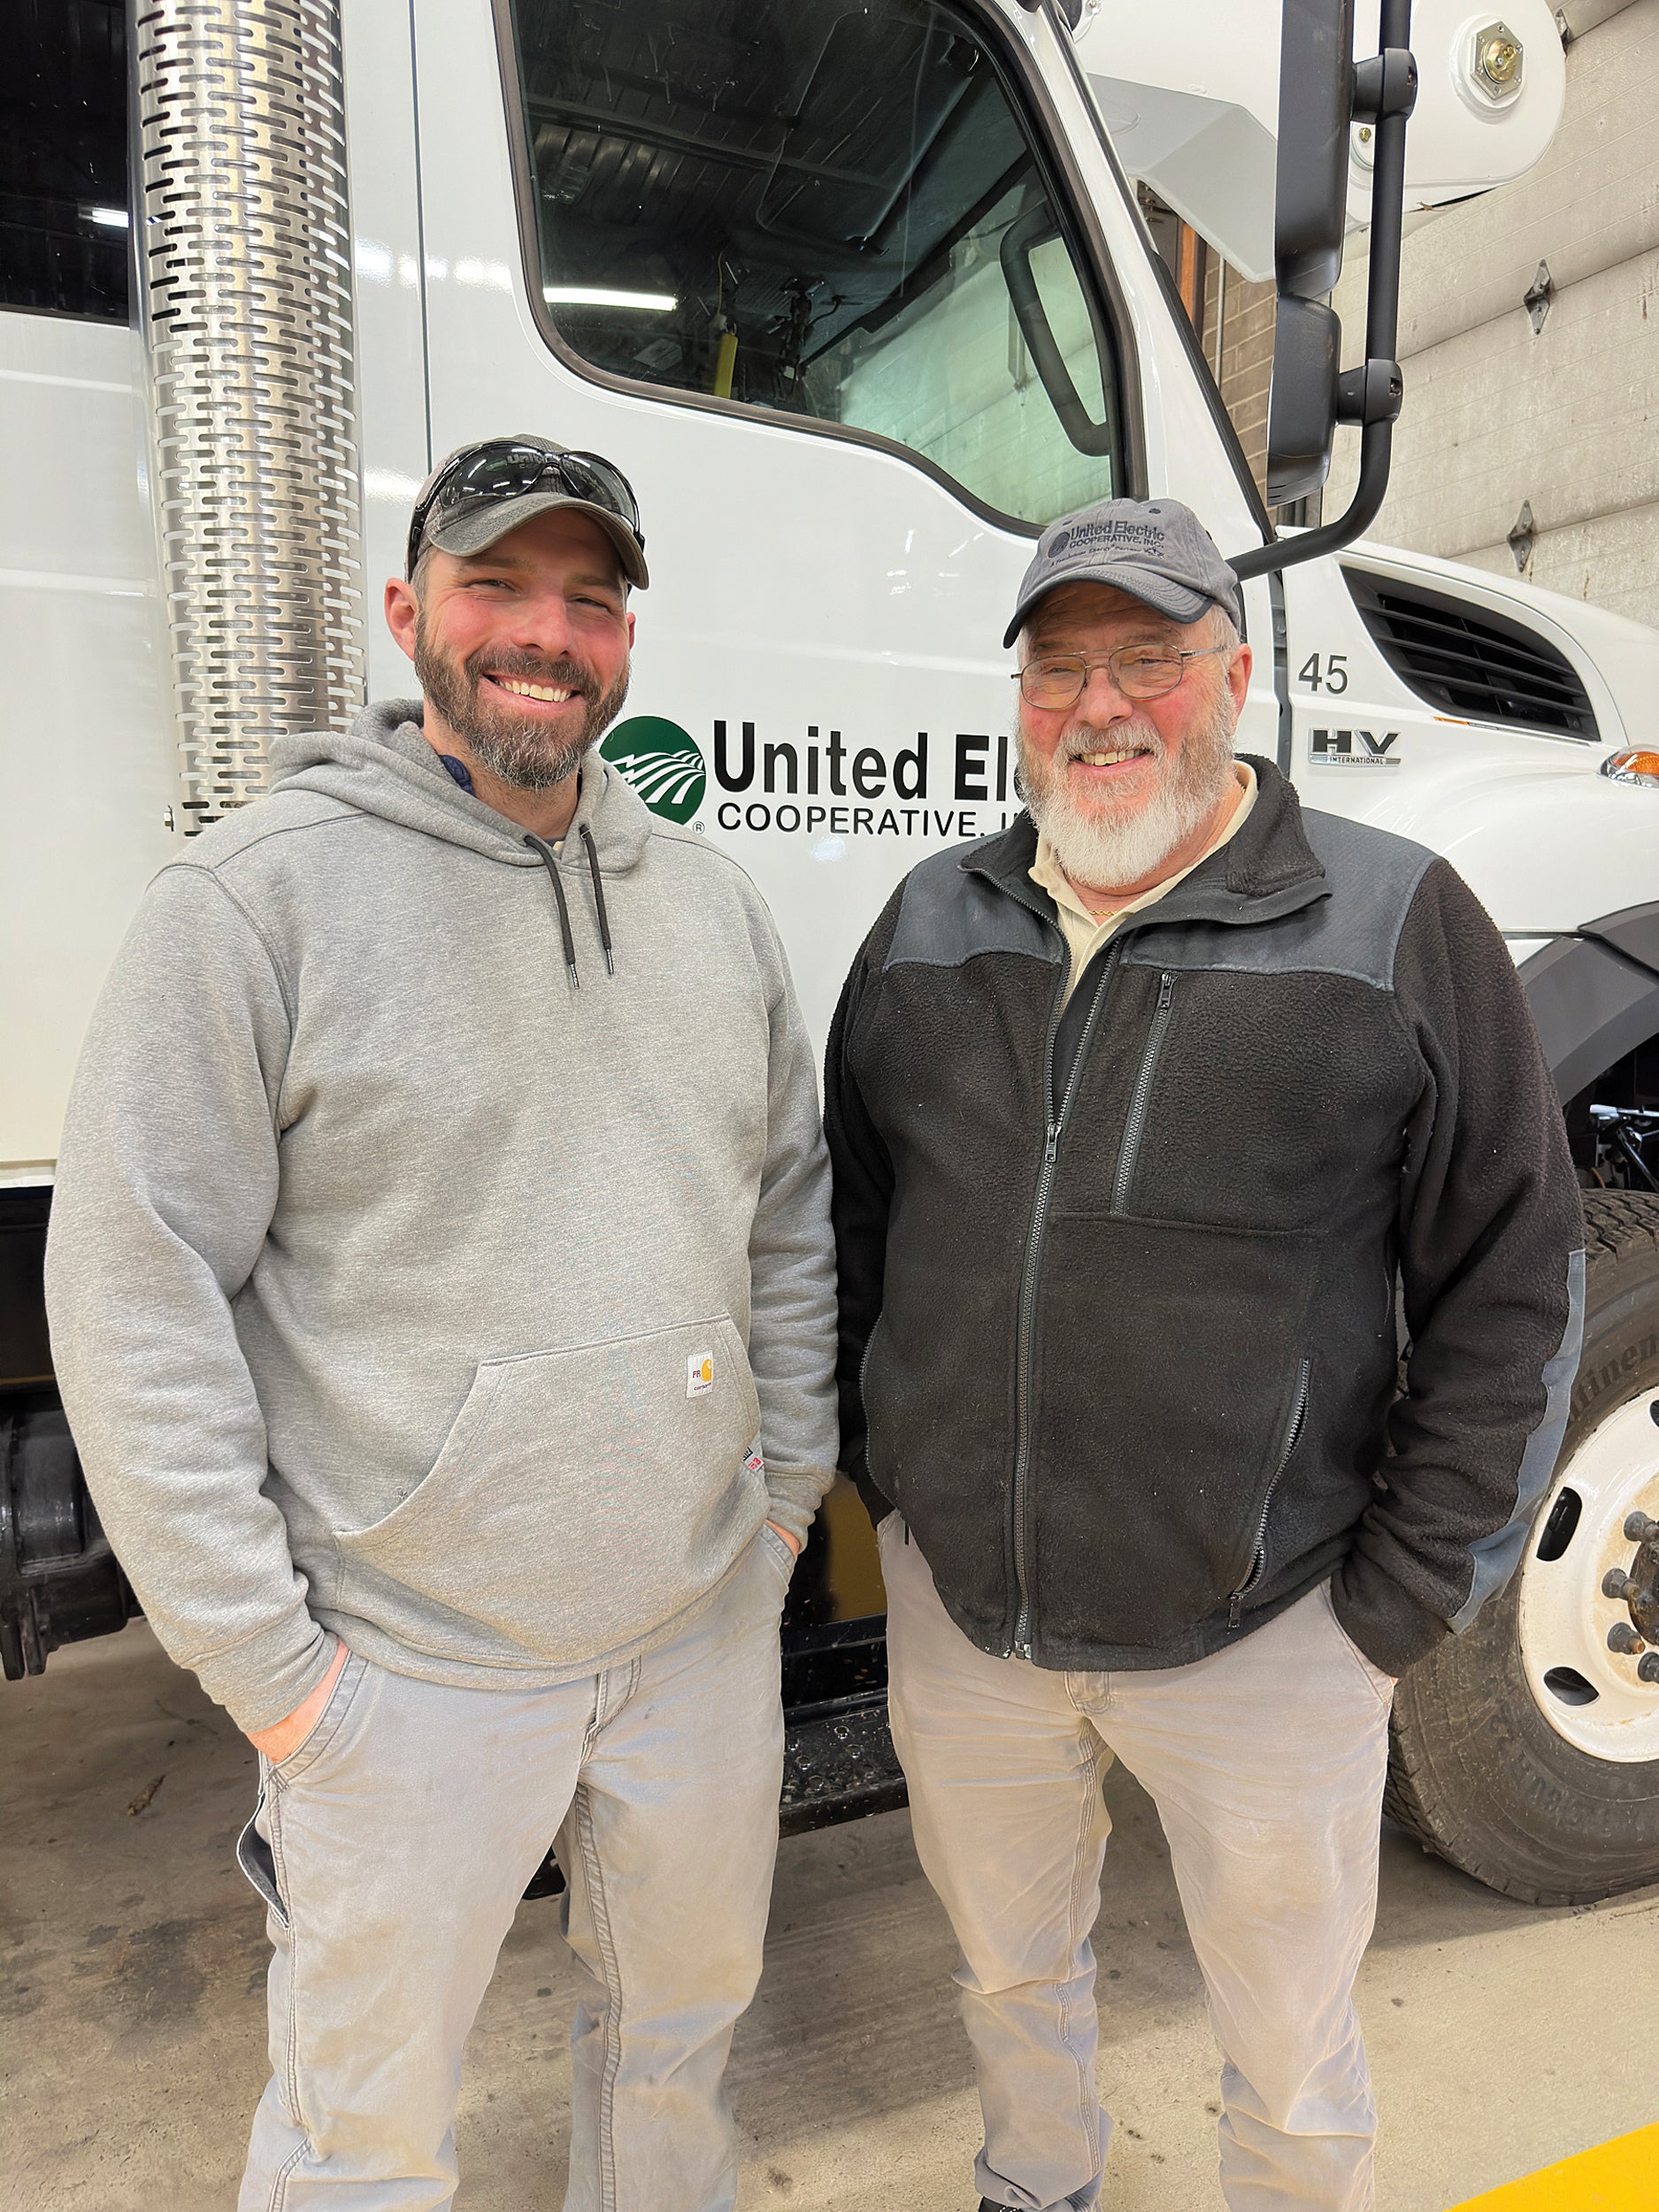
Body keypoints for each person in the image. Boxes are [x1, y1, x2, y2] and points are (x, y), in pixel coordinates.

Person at [45, 434, 838, 2212]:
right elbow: (133, 1283)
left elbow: (783, 1211)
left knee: (675, 2055)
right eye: (496, 587)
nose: (542, 635)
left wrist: (785, 1496)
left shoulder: (708, 905)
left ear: (626, 637)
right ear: (410, 611)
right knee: (363, 2142)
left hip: (692, 1635)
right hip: (402, 1667)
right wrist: (276, 1673)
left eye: (587, 598)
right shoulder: (257, 903)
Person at [825, 495, 1583, 2212]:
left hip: (1267, 1642)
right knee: (1007, 1979)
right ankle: (1037, 2184)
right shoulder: (923, 928)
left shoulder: (1391, 922)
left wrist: (1398, 1601)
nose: (1100, 705)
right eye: (1058, 666)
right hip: (973, 1631)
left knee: (1289, 2042)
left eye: (1148, 657)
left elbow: (1508, 1273)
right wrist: (905, 1488)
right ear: (1018, 697)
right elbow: (853, 1233)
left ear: (1232, 673)